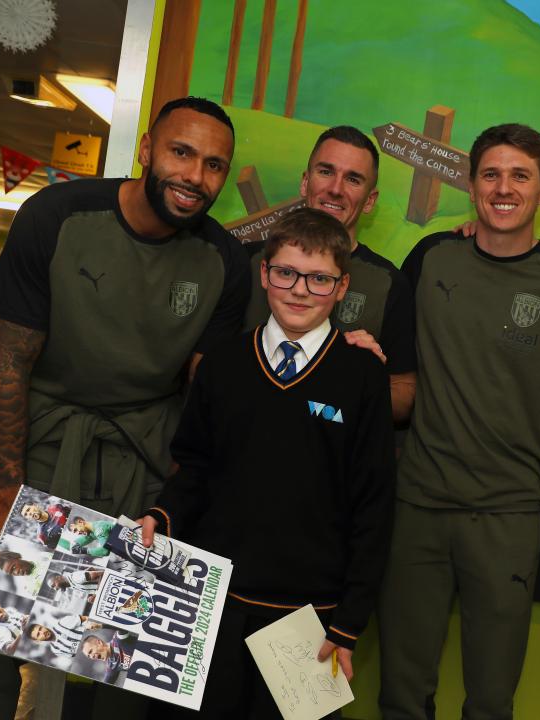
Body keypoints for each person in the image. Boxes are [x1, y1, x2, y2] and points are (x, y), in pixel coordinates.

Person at [0, 96, 249, 720]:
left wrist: (181, 501)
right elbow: (9, 364)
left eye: (214, 165)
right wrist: (7, 496)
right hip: (43, 447)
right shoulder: (58, 215)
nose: (195, 176)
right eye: (182, 152)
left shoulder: (223, 260)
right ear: (147, 149)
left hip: (143, 458)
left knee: (118, 663)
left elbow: (204, 397)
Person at [377, 124, 540, 719]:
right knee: (401, 692)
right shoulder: (431, 257)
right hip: (419, 505)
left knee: (492, 698)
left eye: (520, 176)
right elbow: (393, 359)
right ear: (472, 185)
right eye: (491, 175)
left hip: (508, 515)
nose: (504, 188)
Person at [139, 207, 395, 719]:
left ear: (342, 287)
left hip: (311, 618)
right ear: (264, 273)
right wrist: (161, 516)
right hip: (208, 601)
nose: (299, 290)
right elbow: (193, 466)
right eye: (286, 273)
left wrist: (348, 623)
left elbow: (374, 504)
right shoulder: (224, 363)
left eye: (319, 278)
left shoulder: (363, 375)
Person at [241, 126, 416, 420]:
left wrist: (364, 378)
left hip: (333, 443)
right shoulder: (248, 261)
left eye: (353, 179)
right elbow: (207, 368)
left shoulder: (388, 283)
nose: (336, 188)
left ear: (370, 200)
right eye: (325, 171)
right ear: (305, 182)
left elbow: (403, 398)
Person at [27, 614, 102, 657]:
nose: (42, 632)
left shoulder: (62, 623)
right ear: (37, 641)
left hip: (100, 636)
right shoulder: (56, 650)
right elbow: (77, 656)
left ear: (43, 626)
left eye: (40, 628)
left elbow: (87, 618)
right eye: (38, 634)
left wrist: (90, 625)